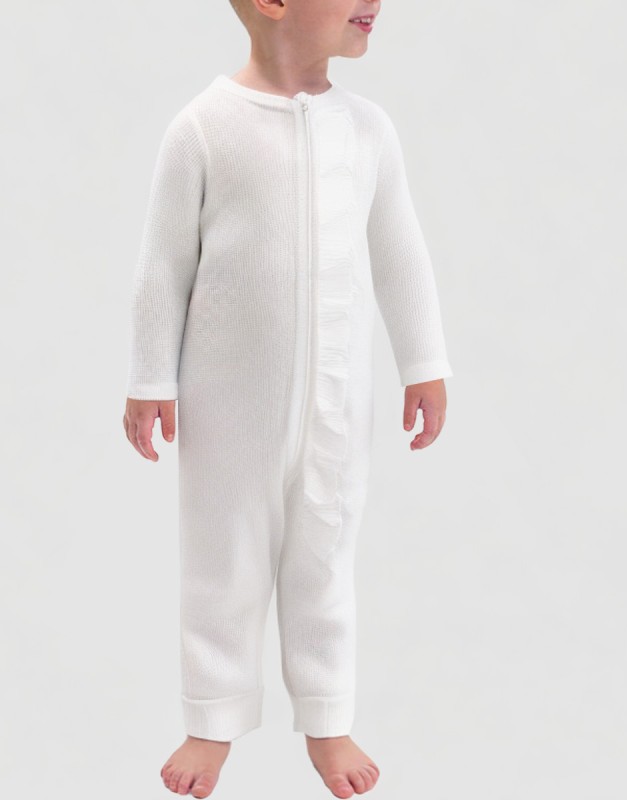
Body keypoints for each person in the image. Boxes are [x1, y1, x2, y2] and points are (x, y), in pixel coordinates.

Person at [122, 0, 453, 796]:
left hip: (338, 406)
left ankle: (328, 715)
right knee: (222, 563)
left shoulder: (369, 131)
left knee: (325, 561)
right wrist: (150, 378)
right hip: (227, 410)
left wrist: (424, 361)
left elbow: (400, 250)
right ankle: (212, 717)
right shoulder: (204, 128)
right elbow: (163, 263)